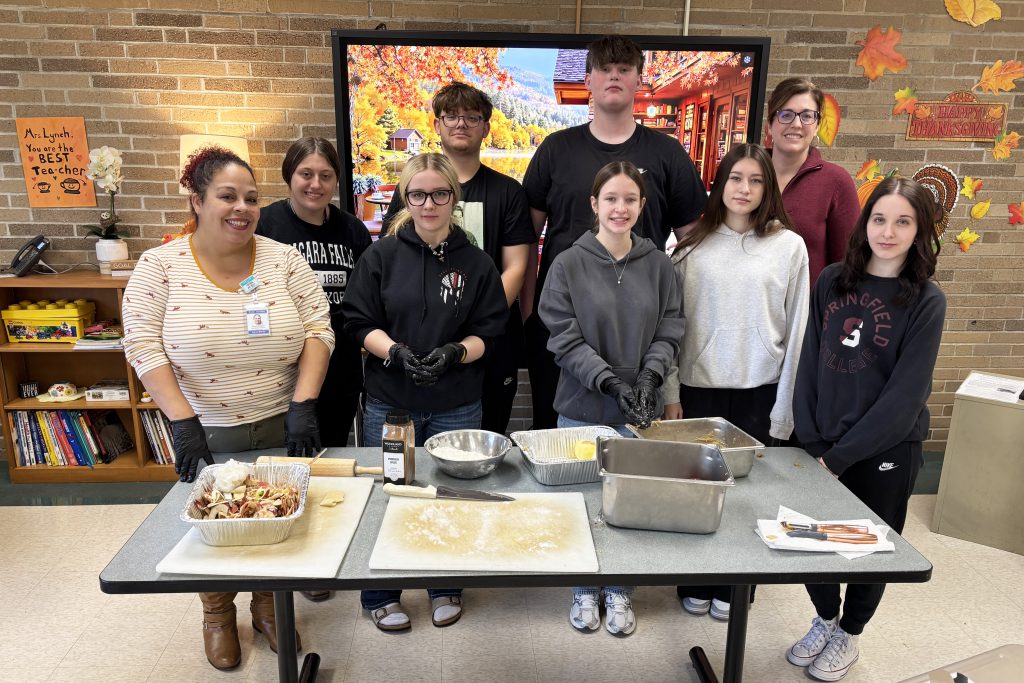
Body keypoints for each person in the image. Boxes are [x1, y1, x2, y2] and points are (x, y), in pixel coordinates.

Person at [122, 146, 334, 670]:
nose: (242, 207)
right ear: (196, 198)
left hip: (280, 421)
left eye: (252, 198)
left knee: (275, 520)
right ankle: (218, 615)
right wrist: (182, 421)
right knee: (214, 525)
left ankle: (268, 608)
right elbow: (142, 344)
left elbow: (318, 328)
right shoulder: (160, 265)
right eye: (227, 196)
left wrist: (303, 404)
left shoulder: (283, 259)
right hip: (206, 426)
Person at [787, 176, 946, 682]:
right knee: (815, 542)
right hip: (821, 444)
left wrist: (840, 457)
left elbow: (905, 398)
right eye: (880, 218)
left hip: (885, 450)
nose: (889, 231)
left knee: (868, 546)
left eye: (904, 222)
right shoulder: (833, 279)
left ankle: (850, 634)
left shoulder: (925, 300)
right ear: (865, 222)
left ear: (919, 231)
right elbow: (809, 359)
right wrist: (811, 440)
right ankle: (825, 619)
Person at [342, 153, 507, 631]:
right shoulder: (381, 256)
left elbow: (490, 330)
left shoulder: (476, 263)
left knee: (448, 495)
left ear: (454, 198)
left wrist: (455, 353)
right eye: (418, 194)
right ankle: (380, 591)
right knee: (392, 491)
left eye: (439, 194)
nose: (429, 203)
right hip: (392, 402)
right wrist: (394, 353)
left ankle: (443, 585)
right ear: (405, 197)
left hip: (457, 403)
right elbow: (357, 321)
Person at [520, 34, 707, 429]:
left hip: (639, 331)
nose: (614, 77)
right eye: (604, 69)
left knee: (638, 447)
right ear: (588, 79)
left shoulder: (667, 153)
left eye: (624, 69)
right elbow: (525, 240)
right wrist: (528, 311)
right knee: (556, 436)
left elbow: (694, 241)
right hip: (565, 324)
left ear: (639, 80)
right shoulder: (556, 150)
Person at [662, 143, 809, 621]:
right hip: (698, 388)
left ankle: (737, 583)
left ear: (768, 188)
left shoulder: (789, 246)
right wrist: (670, 393)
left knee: (747, 496)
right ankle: (697, 577)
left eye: (756, 180)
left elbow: (799, 327)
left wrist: (784, 409)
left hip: (759, 389)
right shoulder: (687, 248)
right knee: (694, 490)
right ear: (719, 184)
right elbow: (669, 327)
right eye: (735, 178)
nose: (744, 189)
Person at [539, 161, 682, 637]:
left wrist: (648, 378)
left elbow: (671, 326)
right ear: (594, 205)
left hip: (640, 410)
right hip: (581, 406)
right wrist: (609, 382)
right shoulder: (567, 263)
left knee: (631, 502)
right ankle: (583, 586)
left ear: (641, 206)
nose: (620, 208)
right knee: (582, 501)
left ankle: (620, 588)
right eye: (611, 199)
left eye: (630, 200)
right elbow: (563, 336)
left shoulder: (659, 266)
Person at [256, 136, 372, 603]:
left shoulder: (351, 229)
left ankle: (322, 547)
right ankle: (288, 555)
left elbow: (366, 291)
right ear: (290, 176)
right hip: (285, 366)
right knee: (288, 462)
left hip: (340, 363)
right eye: (306, 174)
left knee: (328, 459)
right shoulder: (266, 224)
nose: (316, 183)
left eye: (326, 175)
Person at [383, 82, 535, 434]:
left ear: (486, 127)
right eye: (450, 116)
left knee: (489, 434)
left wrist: (475, 326)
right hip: (424, 340)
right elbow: (394, 260)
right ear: (436, 125)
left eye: (471, 116)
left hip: (490, 339)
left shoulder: (508, 192)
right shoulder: (411, 188)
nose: (460, 123)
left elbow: (516, 267)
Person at [766, 77, 860, 287]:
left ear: (817, 126)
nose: (797, 124)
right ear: (770, 124)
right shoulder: (747, 175)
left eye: (807, 116)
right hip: (746, 310)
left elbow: (848, 265)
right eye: (786, 114)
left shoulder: (836, 182)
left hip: (809, 314)